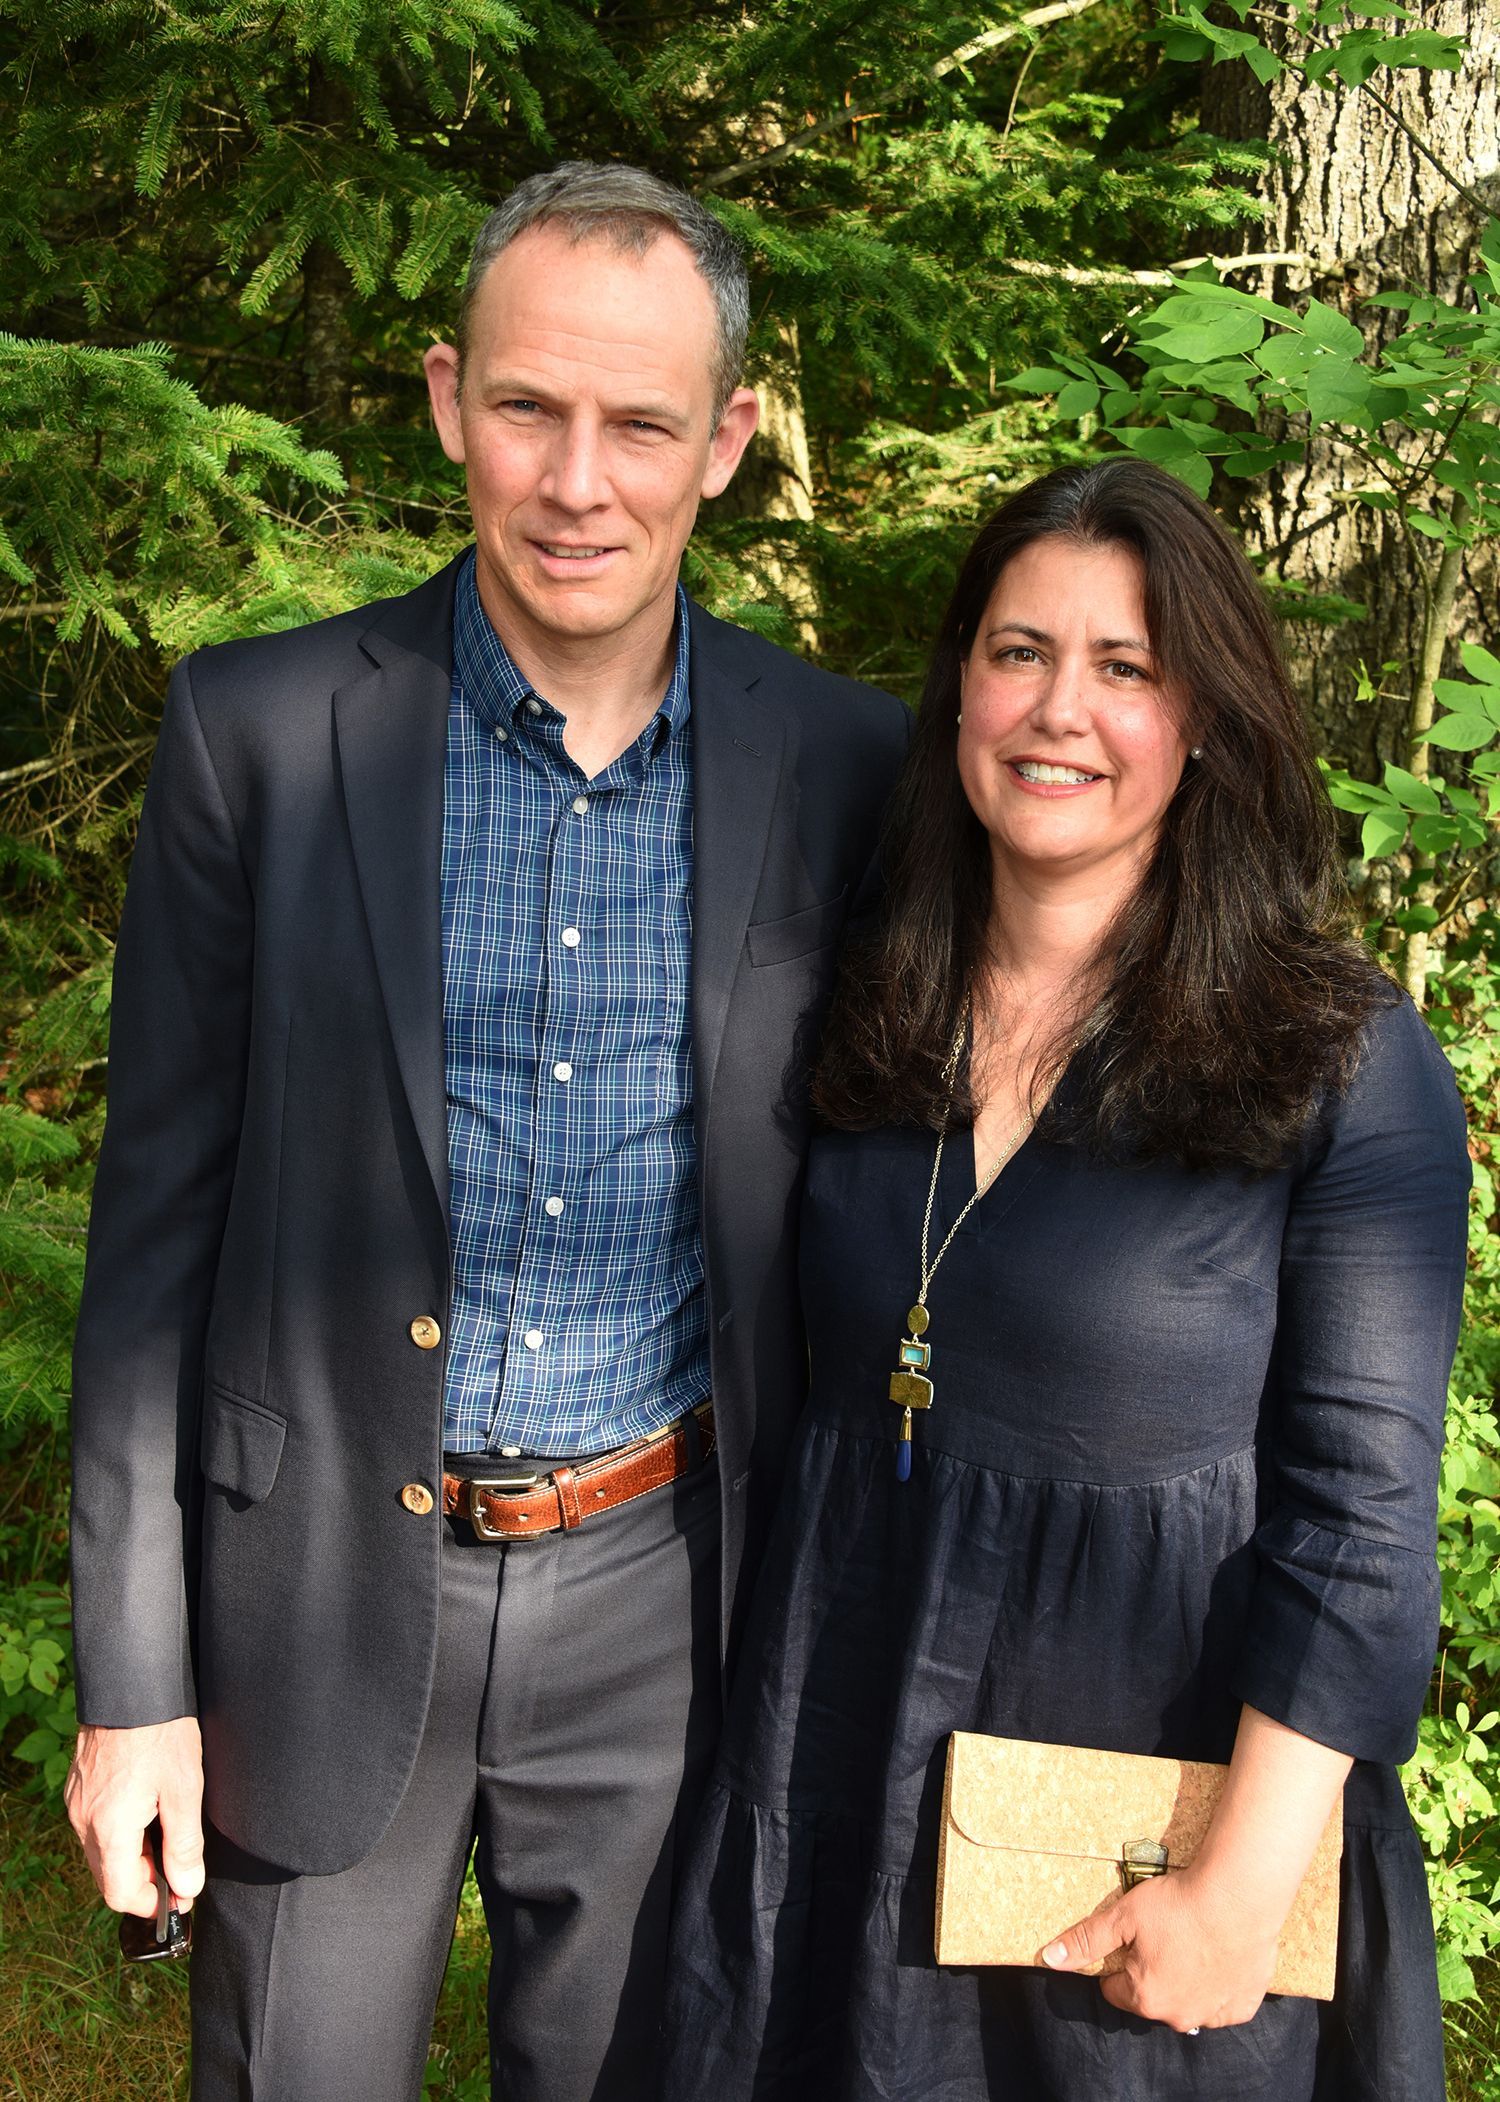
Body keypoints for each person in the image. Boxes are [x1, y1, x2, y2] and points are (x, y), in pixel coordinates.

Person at [64, 161, 909, 2101]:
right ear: (449, 398)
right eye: (530, 406)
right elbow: (149, 1252)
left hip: (667, 1604)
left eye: (642, 424)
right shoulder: (261, 737)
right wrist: (137, 1681)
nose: (577, 479)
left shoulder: (851, 770)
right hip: (319, 1599)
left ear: (734, 443)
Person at [660, 458, 1470, 2101]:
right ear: (959, 680)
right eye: (1020, 650)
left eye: (1127, 667)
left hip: (1132, 1830)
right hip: (838, 1754)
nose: (1059, 710)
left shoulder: (1341, 1057)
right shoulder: (859, 996)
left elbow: (1362, 1525)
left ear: (1206, 720)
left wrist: (1237, 1891)